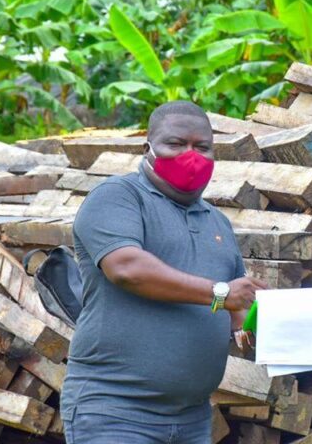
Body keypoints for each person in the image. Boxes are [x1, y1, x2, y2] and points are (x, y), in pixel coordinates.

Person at [61, 101, 267, 444]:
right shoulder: (118, 197)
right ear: (148, 149)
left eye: (202, 147)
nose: (192, 155)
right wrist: (221, 293)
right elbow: (127, 268)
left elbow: (236, 315)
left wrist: (265, 323)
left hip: (193, 417)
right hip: (116, 412)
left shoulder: (217, 222)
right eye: (176, 144)